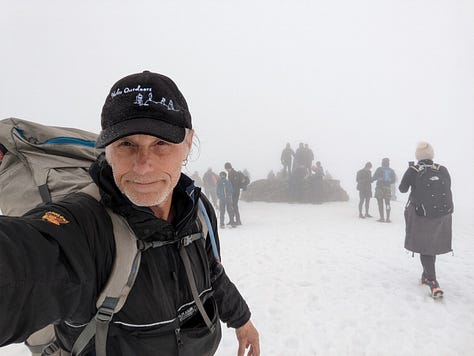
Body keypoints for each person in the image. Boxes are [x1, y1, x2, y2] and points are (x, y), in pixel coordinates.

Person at [0, 71, 259, 356]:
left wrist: (242, 320)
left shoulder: (197, 210)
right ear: (107, 150)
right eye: (127, 144)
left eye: (161, 143)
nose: (143, 166)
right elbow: (26, 263)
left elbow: (212, 273)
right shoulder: (87, 225)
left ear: (188, 144)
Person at [399, 142, 453, 298]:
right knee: (431, 244)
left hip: (421, 214)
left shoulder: (413, 170)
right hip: (442, 214)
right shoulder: (442, 169)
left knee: (425, 246)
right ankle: (426, 275)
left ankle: (432, 281)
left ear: (418, 156)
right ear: (432, 155)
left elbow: (402, 189)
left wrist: (410, 174)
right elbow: (448, 186)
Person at [372, 157, 396, 222]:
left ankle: (382, 218)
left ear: (382, 162)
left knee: (380, 203)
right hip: (387, 188)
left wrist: (371, 180)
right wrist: (388, 181)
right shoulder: (391, 170)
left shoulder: (379, 169)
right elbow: (393, 180)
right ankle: (388, 218)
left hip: (379, 188)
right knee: (387, 203)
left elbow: (374, 178)